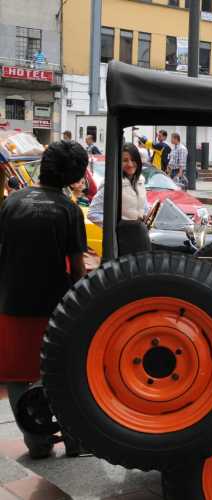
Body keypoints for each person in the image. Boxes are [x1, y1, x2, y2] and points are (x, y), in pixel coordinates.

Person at [0, 140, 87, 459]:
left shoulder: (11, 202)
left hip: (11, 301)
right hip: (54, 306)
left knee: (16, 374)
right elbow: (77, 268)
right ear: (73, 175)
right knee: (59, 373)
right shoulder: (69, 210)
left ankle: (36, 442)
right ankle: (74, 441)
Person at [88, 143, 148, 226]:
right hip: (121, 237)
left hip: (138, 234)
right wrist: (117, 227)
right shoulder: (111, 184)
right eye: (125, 160)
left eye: (133, 160)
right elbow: (93, 214)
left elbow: (144, 209)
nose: (130, 164)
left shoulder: (140, 181)